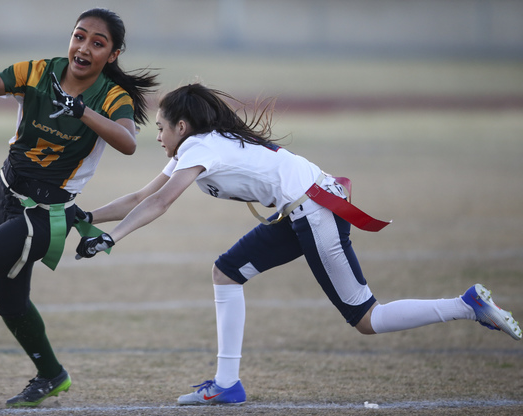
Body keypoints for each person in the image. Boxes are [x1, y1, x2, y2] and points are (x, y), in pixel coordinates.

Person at [75, 83, 522, 406]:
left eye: (160, 128)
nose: (157, 137)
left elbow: (160, 203)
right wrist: (86, 218)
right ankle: (227, 384)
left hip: (316, 209)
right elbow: (140, 197)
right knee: (226, 271)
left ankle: (467, 305)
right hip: (299, 210)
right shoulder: (200, 145)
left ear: (182, 126)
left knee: (366, 318)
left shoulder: (196, 148)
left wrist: (111, 238)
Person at [0, 8, 158, 407]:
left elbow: (128, 142)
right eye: (79, 36)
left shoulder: (113, 96)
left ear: (113, 55)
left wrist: (81, 110)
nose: (84, 47)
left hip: (45, 215)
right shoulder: (40, 71)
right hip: (5, 192)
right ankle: (51, 374)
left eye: (98, 43)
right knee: (10, 303)